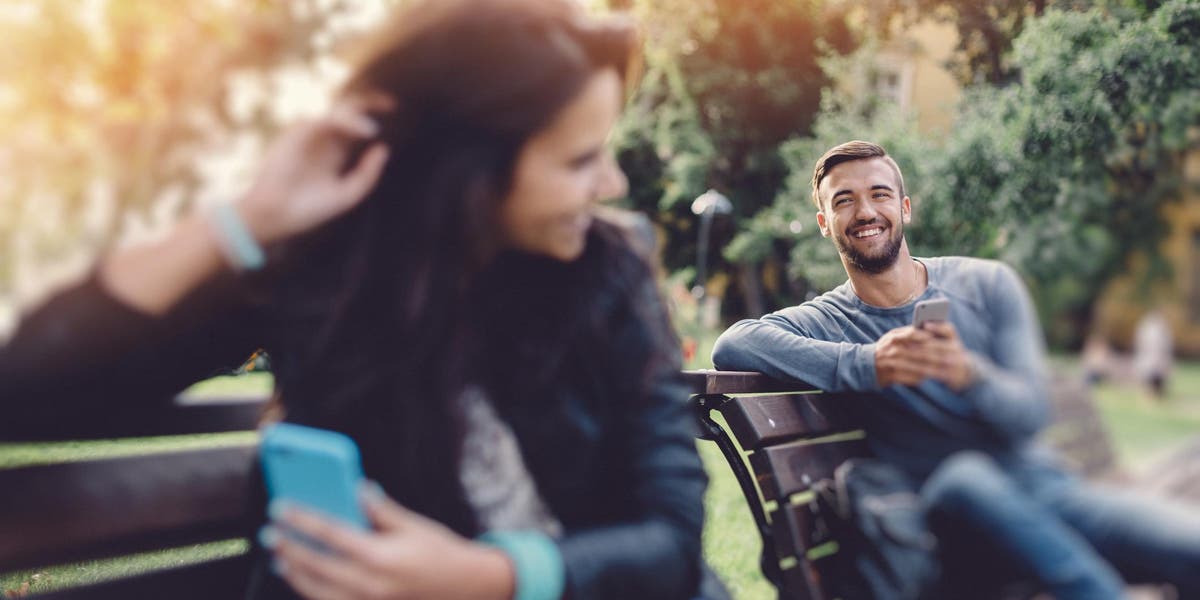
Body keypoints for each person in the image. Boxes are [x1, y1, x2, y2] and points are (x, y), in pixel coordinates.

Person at [0, 1, 723, 599]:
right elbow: (25, 395)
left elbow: (671, 536)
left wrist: (491, 578)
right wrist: (241, 221)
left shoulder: (609, 272)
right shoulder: (323, 269)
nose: (613, 186)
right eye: (579, 160)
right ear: (467, 169)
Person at [712, 140, 1200, 598]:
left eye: (879, 194)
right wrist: (868, 364)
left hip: (1049, 493)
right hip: (950, 529)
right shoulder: (829, 320)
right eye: (844, 201)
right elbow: (733, 344)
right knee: (965, 476)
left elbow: (1029, 416)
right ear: (824, 222)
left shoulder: (987, 284)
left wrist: (970, 373)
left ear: (904, 208)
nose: (864, 212)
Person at [1133, 309, 1173, 401]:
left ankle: (1156, 394)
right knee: (1150, 377)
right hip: (1151, 359)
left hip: (1156, 360)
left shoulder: (1162, 329)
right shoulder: (1150, 328)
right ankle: (1150, 394)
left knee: (1157, 378)